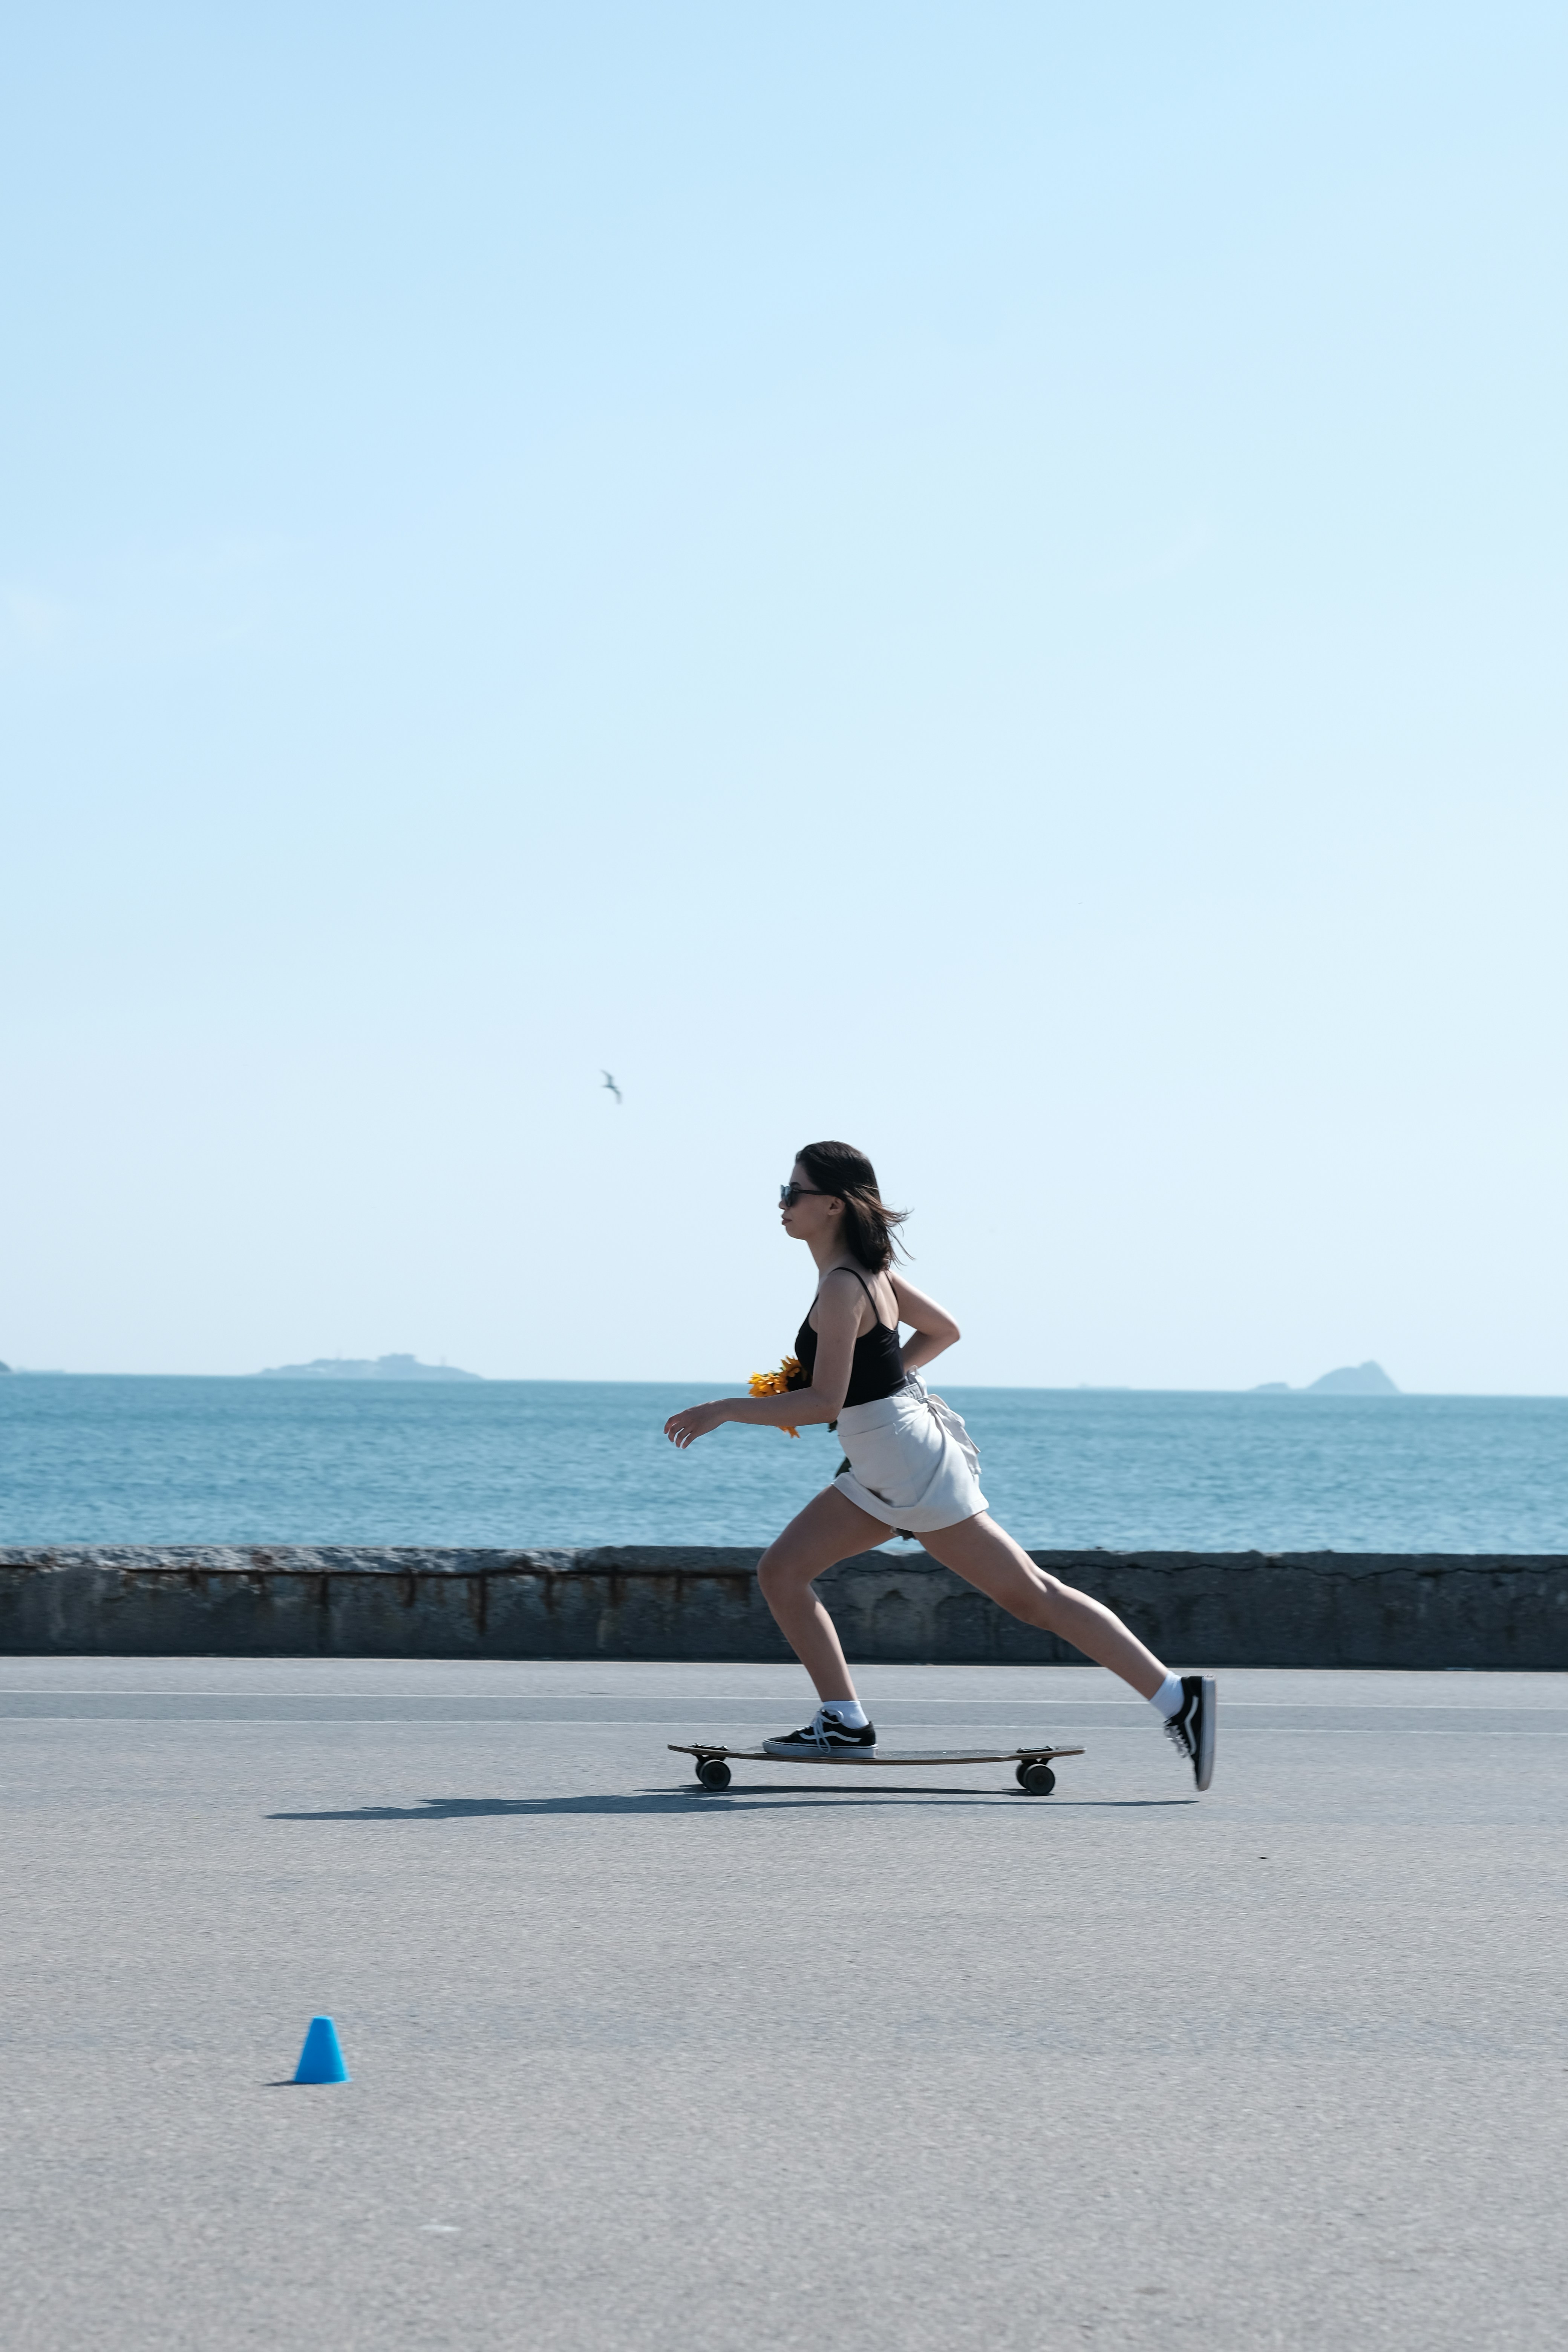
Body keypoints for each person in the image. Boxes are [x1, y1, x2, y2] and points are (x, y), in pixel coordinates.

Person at [663, 1141, 1216, 1789]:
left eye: (793, 1193)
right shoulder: (869, 1273)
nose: (782, 1205)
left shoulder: (845, 1286)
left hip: (904, 1460)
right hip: (885, 1453)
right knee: (783, 1571)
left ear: (833, 1205)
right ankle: (843, 1721)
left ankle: (1180, 1699)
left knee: (1033, 1596)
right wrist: (883, 1384)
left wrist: (727, 1409)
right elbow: (944, 1331)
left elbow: (825, 1401)